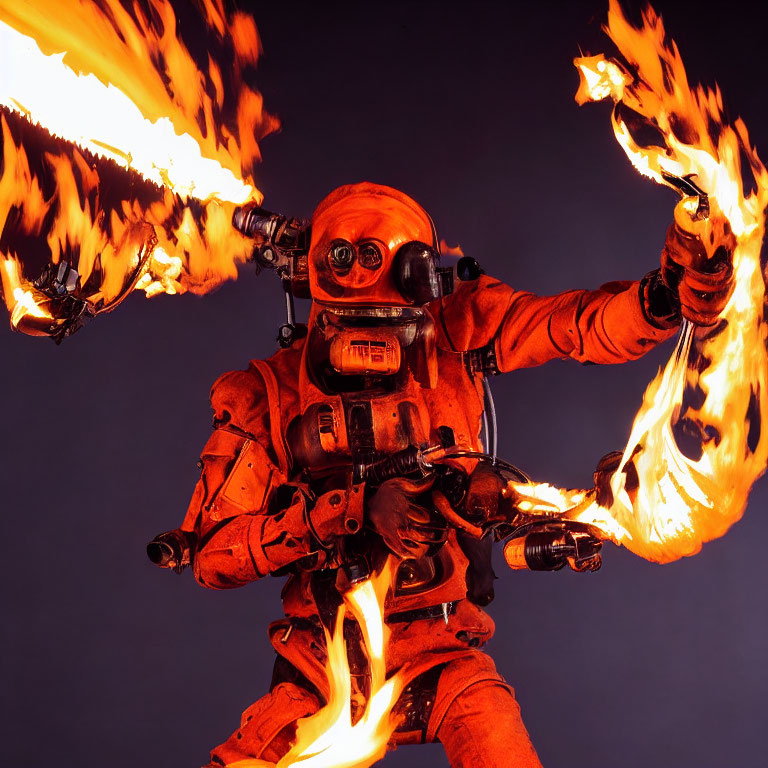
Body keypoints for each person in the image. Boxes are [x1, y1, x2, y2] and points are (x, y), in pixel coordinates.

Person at [149, 182, 733, 767]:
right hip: (319, 670)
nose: (374, 351)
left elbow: (574, 325)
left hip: (442, 655)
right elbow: (213, 558)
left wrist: (660, 299)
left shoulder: (460, 333)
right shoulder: (266, 396)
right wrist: (346, 510)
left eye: (392, 328)